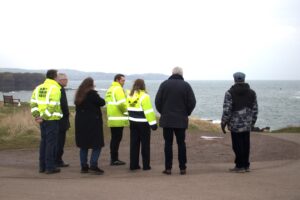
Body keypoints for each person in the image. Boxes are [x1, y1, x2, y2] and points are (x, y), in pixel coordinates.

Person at [155, 67, 196, 175]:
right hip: (181, 120)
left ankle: (168, 168)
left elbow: (157, 101)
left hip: (167, 119)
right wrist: (186, 112)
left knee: (168, 144)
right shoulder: (186, 85)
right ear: (182, 74)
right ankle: (182, 168)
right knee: (181, 143)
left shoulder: (164, 84)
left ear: (172, 73)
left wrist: (163, 112)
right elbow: (192, 102)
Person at [221, 72, 258, 173]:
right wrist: (252, 122)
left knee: (237, 145)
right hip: (247, 124)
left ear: (234, 79)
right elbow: (255, 110)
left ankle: (240, 166)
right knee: (246, 144)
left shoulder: (229, 93)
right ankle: (246, 165)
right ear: (244, 79)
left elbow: (227, 110)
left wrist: (223, 123)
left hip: (235, 124)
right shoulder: (252, 93)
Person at [30, 69, 63, 174]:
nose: (58, 78)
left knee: (43, 142)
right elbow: (52, 105)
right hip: (51, 119)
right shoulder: (55, 88)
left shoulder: (38, 88)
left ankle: (42, 166)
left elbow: (33, 103)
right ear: (54, 77)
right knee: (51, 144)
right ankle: (50, 167)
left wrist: (37, 116)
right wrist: (44, 117)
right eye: (57, 76)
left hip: (42, 120)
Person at [74, 77, 106, 175]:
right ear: (91, 85)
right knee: (97, 145)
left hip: (80, 123)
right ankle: (93, 165)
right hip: (93, 123)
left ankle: (84, 166)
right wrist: (94, 91)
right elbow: (102, 102)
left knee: (84, 146)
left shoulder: (79, 94)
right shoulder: (92, 94)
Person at [127, 79, 158, 171]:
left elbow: (127, 109)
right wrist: (153, 124)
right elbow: (148, 111)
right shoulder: (145, 96)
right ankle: (146, 165)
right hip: (143, 123)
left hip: (132, 122)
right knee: (145, 145)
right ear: (143, 85)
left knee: (134, 144)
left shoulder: (129, 95)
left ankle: (133, 165)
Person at [105, 74, 129, 166]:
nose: (124, 82)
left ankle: (113, 158)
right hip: (118, 118)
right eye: (123, 80)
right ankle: (114, 159)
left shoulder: (110, 89)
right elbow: (121, 104)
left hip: (112, 118)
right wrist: (127, 112)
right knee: (116, 139)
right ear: (117, 80)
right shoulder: (118, 89)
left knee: (114, 139)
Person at [55, 73, 70, 167]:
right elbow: (64, 104)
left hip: (54, 118)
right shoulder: (60, 89)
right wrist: (67, 114)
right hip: (61, 119)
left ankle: (55, 159)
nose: (67, 81)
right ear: (60, 80)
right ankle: (58, 160)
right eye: (66, 79)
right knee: (60, 141)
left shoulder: (55, 88)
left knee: (56, 141)